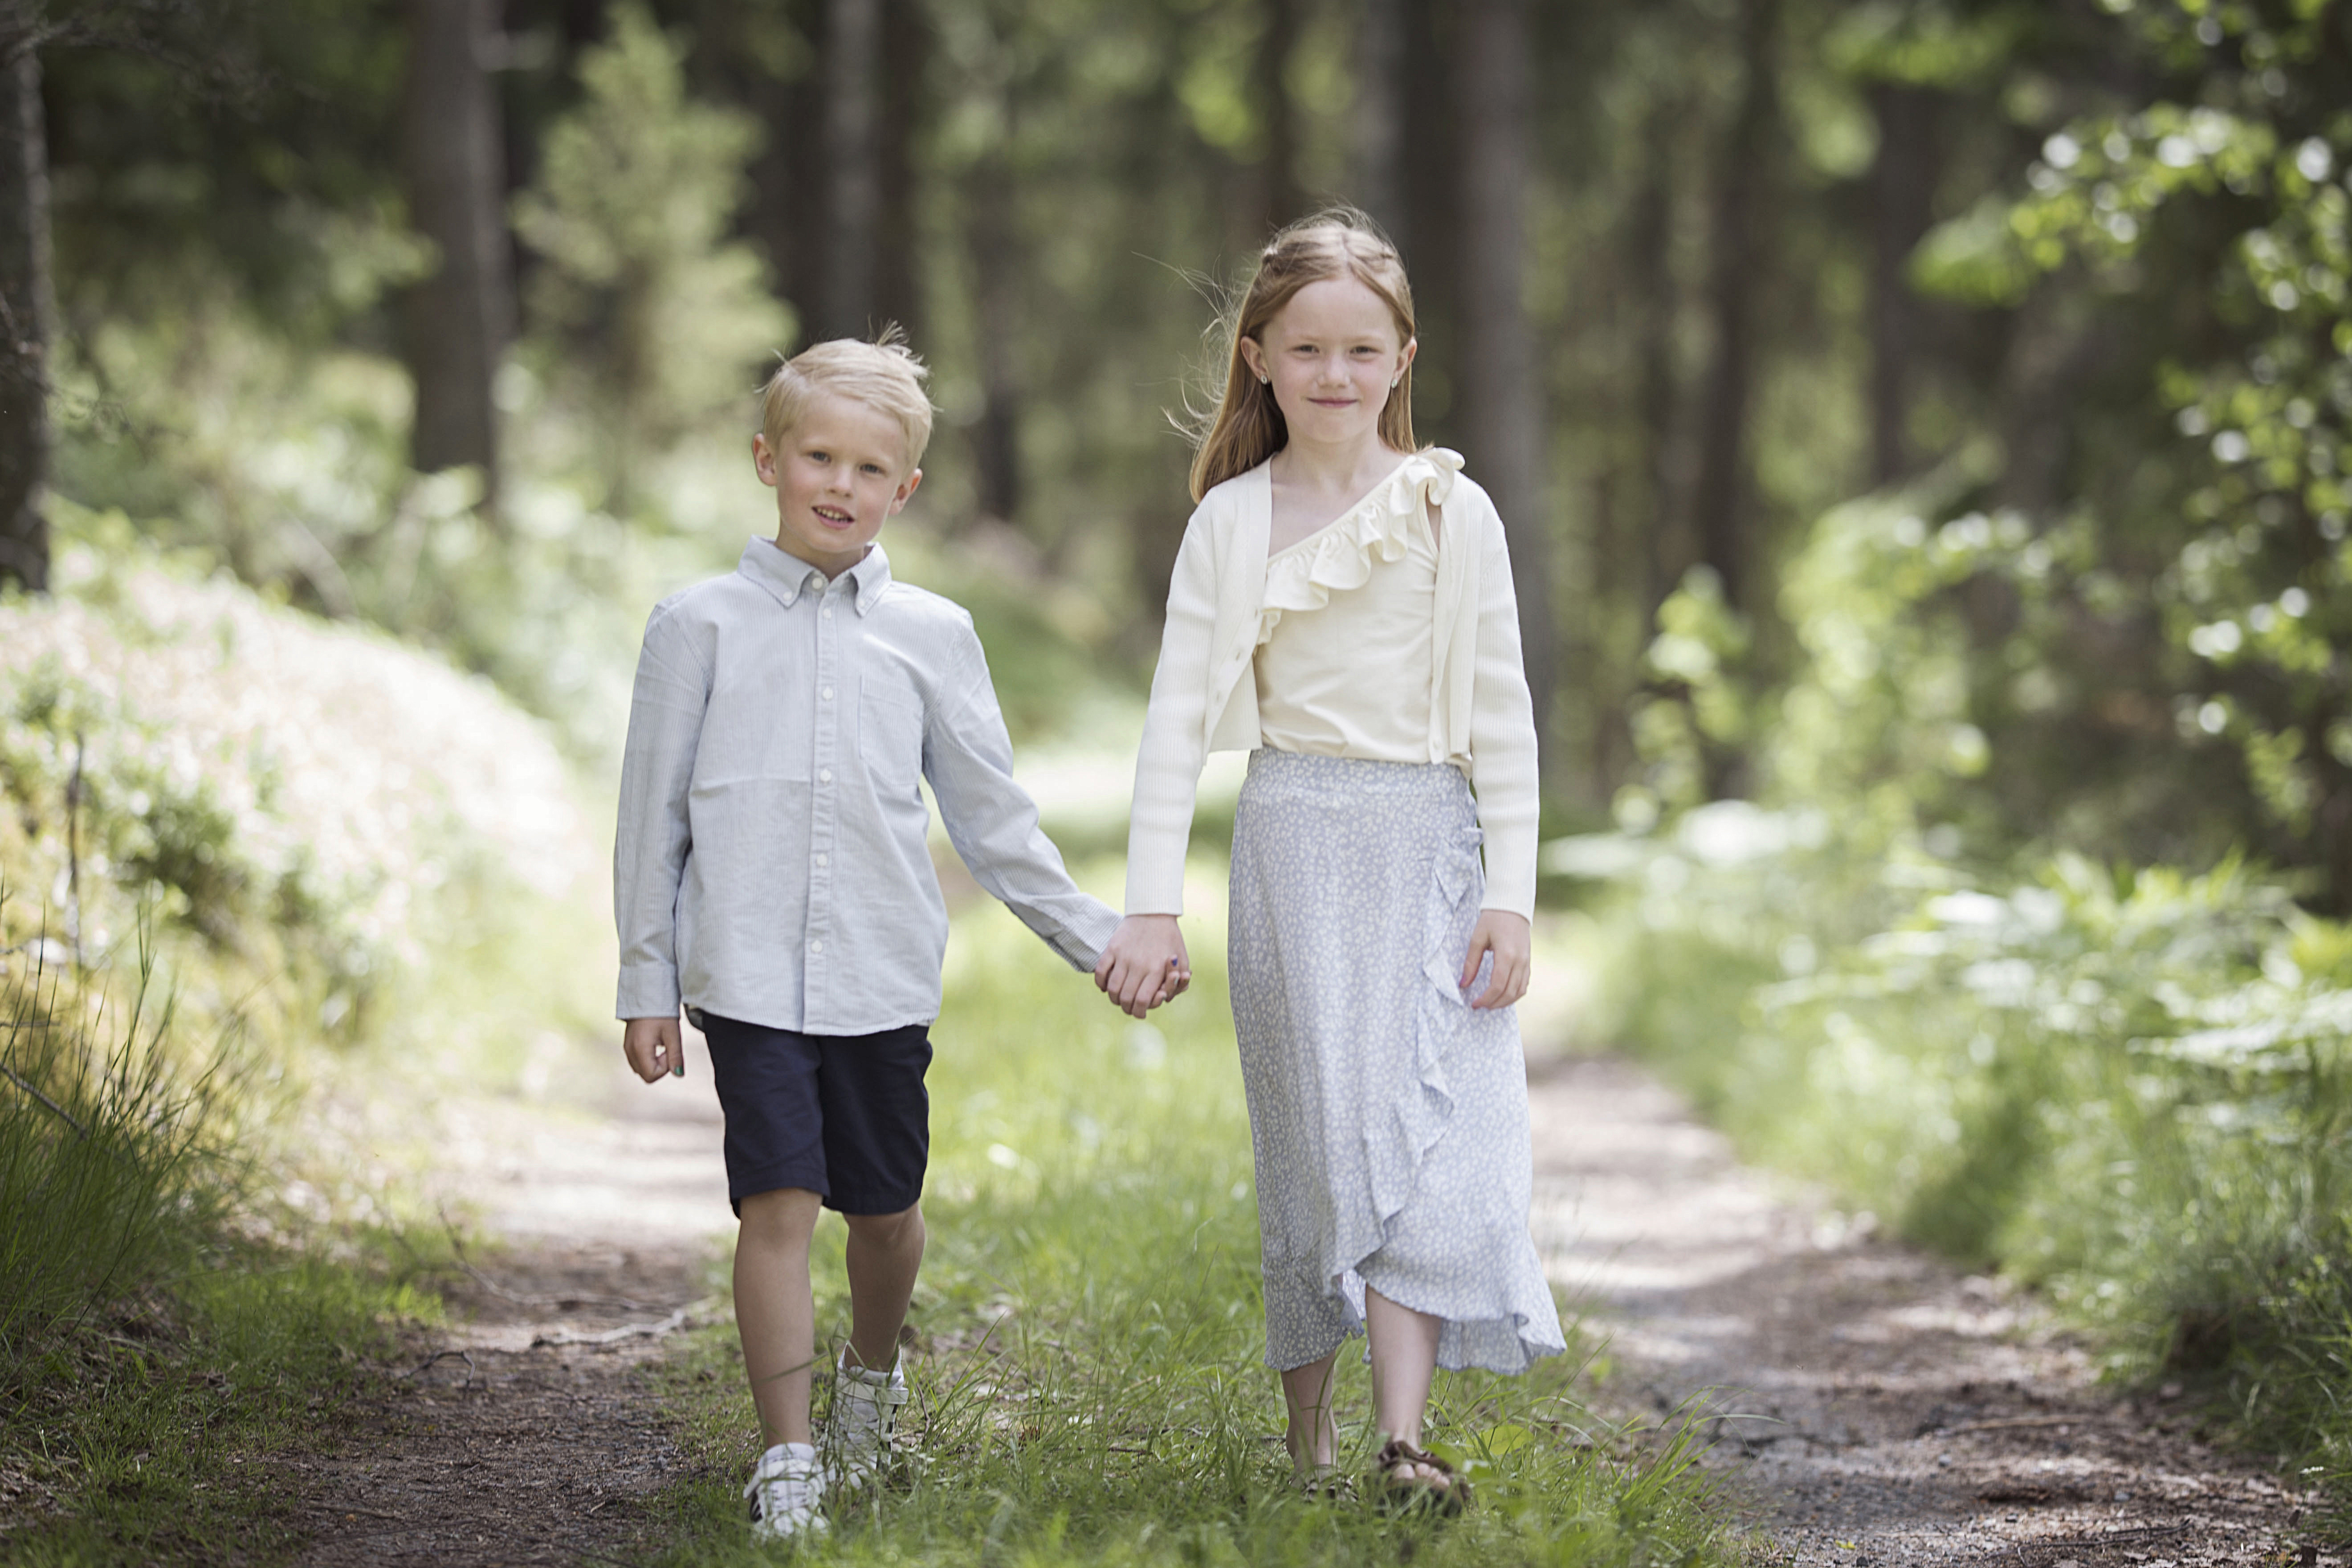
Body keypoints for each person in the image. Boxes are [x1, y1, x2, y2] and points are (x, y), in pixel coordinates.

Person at [615, 333, 1174, 1542]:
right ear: (767, 458)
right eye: (817, 455)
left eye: (870, 468)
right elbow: (649, 822)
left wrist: (1100, 939)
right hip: (749, 977)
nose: (840, 484)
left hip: (880, 976)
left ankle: (872, 1377)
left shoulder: (934, 635)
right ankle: (789, 1457)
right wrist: (645, 981)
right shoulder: (694, 626)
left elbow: (993, 822)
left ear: (905, 490)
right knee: (777, 1202)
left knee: (883, 1210)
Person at [1093, 210, 1567, 1511]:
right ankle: (1306, 1452)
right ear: (1256, 357)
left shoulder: (1450, 511)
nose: (1335, 375)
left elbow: (1503, 715)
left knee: (1429, 1151)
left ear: (1403, 357)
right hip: (1293, 851)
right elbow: (1171, 730)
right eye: (1306, 349)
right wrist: (1149, 906)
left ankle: (1401, 1445)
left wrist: (1509, 894)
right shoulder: (1229, 524)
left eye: (1363, 349)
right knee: (1314, 1152)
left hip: (1427, 846)